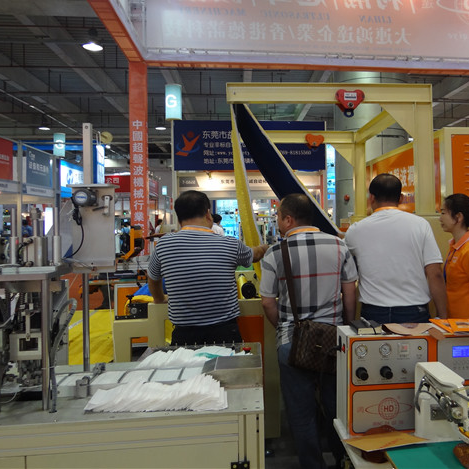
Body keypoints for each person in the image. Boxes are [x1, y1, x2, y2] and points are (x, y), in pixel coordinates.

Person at [260, 193, 358, 469]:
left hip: (293, 342)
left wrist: (284, 329)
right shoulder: (339, 246)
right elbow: (350, 292)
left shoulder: (275, 253)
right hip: (333, 342)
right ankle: (344, 460)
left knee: (301, 414)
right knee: (338, 408)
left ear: (289, 219)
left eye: (279, 217)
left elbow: (267, 301)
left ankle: (313, 465)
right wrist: (346, 327)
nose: (278, 222)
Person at [147, 190, 269, 346]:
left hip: (184, 335)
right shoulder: (229, 244)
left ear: (179, 218)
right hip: (224, 332)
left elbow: (153, 277)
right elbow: (255, 255)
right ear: (208, 214)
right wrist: (264, 247)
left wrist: (159, 299)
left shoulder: (163, 245)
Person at [344, 173, 447, 323]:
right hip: (414, 312)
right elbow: (435, 274)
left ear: (371, 198)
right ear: (401, 198)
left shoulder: (356, 230)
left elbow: (342, 261)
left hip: (374, 313)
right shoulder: (420, 225)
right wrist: (443, 317)